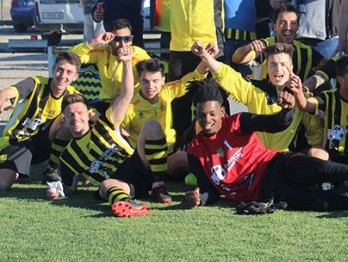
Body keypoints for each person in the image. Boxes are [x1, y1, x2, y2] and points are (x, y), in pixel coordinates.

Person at [184, 77, 348, 214]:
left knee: (334, 170)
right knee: (329, 202)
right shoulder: (195, 150)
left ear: (222, 112)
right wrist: (199, 198)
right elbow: (209, 190)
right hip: (270, 194)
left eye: (212, 114)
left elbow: (276, 123)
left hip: (279, 165)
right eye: (201, 115)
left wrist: (288, 110)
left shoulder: (237, 123)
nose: (207, 120)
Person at [53, 48, 158, 217]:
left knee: (152, 127)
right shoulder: (68, 157)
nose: (75, 118)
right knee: (105, 185)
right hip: (123, 185)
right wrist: (56, 192)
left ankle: (160, 184)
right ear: (64, 119)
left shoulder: (106, 123)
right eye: (70, 114)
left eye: (79, 112)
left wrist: (127, 62)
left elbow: (126, 94)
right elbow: (68, 188)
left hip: (140, 166)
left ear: (89, 114)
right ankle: (127, 203)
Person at [196, 41, 315, 153]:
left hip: (284, 158)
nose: (278, 69)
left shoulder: (301, 98)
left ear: (292, 67)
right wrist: (205, 56)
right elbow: (227, 75)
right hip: (256, 157)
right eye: (273, 64)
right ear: (267, 68)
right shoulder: (254, 89)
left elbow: (315, 132)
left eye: (283, 65)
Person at [116, 56, 207, 200]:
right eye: (145, 81)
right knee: (183, 158)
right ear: (138, 81)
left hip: (169, 153)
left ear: (163, 80)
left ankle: (217, 175)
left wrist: (207, 58)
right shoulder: (130, 106)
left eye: (155, 81)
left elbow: (193, 77)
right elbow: (115, 132)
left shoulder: (166, 91)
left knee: (206, 117)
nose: (150, 87)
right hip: (146, 162)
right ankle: (159, 184)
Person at [0, 52, 81, 191]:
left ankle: (52, 170)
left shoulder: (74, 96)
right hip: (19, 141)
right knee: (3, 184)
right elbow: (8, 92)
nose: (63, 76)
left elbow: (88, 118)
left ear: (75, 77)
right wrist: (2, 98)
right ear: (53, 69)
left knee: (71, 118)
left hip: (46, 145)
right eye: (60, 70)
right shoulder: (35, 83)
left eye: (69, 72)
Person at [69, 19, 151, 113]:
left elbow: (154, 75)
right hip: (106, 103)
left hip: (132, 104)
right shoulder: (102, 52)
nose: (123, 44)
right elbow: (70, 57)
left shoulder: (139, 54)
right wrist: (93, 42)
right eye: (117, 39)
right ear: (110, 40)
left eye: (127, 39)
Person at [232, 3, 324, 81]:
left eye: (293, 23)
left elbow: (326, 69)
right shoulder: (265, 45)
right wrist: (248, 48)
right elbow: (237, 59)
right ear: (274, 26)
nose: (288, 27)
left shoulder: (306, 51)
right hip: (264, 98)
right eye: (282, 22)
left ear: (298, 26)